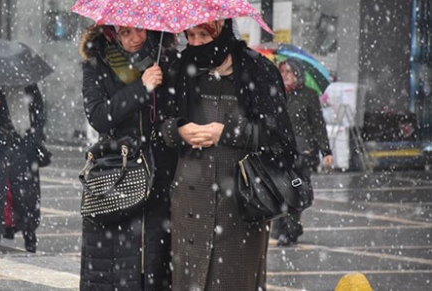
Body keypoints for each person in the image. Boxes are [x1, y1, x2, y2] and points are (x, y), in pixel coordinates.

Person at [160, 19, 297, 290]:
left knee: (235, 281)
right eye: (191, 35)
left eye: (203, 34)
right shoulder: (178, 69)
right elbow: (161, 126)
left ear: (222, 30)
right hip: (190, 202)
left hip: (241, 202)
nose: (196, 43)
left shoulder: (257, 71)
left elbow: (279, 137)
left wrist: (227, 131)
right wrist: (179, 131)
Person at [78, 25, 178, 290]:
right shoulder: (97, 63)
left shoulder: (164, 59)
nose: (135, 38)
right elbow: (99, 116)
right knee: (115, 266)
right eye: (125, 32)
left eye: (140, 31)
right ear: (111, 33)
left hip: (159, 173)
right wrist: (141, 88)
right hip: (117, 172)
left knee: (154, 264)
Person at [0, 83, 46, 253]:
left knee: (25, 195)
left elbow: (40, 116)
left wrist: (33, 137)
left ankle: (30, 237)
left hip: (23, 148)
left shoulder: (30, 87)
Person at [273, 58, 333, 246]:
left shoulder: (308, 95)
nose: (285, 76)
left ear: (297, 74)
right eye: (282, 72)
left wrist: (326, 151)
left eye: (288, 72)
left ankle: (290, 229)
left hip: (302, 154)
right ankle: (284, 227)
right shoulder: (275, 95)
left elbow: (318, 125)